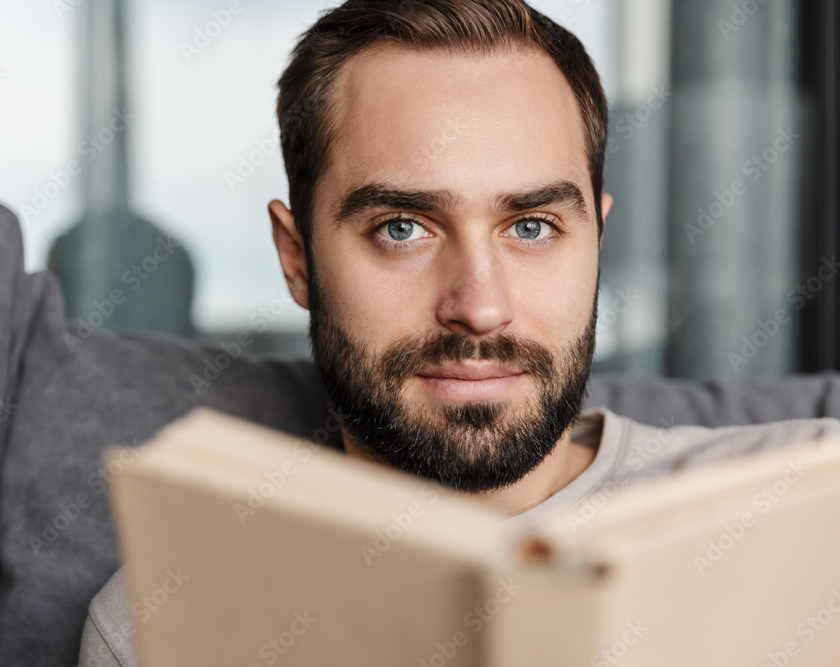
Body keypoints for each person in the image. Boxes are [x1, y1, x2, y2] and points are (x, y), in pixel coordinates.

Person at [78, 1, 840, 664]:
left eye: (533, 226)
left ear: (596, 244)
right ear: (297, 257)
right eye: (403, 227)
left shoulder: (814, 501)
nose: (479, 306)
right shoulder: (164, 617)